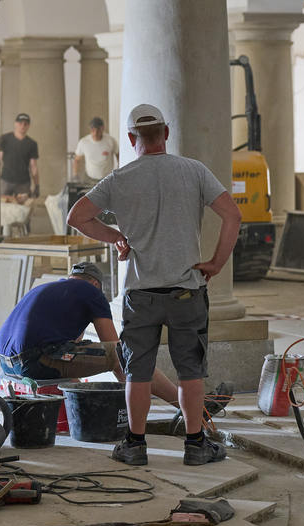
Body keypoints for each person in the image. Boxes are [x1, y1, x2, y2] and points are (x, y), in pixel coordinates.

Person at [67, 103, 242, 467]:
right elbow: (232, 214)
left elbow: (77, 216)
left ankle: (135, 444)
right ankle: (195, 445)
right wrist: (216, 263)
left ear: (131, 139)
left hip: (141, 294)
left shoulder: (120, 178)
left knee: (138, 371)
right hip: (186, 291)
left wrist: (115, 235)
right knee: (191, 371)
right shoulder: (194, 171)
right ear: (166, 133)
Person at [0, 261, 180, 409]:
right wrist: (131, 394)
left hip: (7, 364)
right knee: (127, 355)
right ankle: (184, 405)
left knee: (73, 355)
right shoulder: (91, 292)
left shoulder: (48, 289)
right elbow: (117, 349)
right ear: (95, 284)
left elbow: (70, 355)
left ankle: (80, 408)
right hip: (34, 359)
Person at [0, 113, 39, 202]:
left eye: (25, 124)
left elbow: (33, 166)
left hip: (23, 183)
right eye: (20, 123)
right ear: (15, 124)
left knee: (23, 210)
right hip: (6, 180)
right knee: (3, 208)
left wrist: (37, 185)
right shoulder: (4, 139)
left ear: (28, 126)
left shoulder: (32, 144)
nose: (22, 126)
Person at [73, 117, 119, 183]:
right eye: (93, 130)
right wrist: (75, 175)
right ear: (90, 129)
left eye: (98, 130)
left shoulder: (110, 141)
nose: (95, 133)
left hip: (107, 179)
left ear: (103, 128)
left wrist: (119, 170)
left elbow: (118, 155)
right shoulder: (84, 142)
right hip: (89, 178)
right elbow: (77, 160)